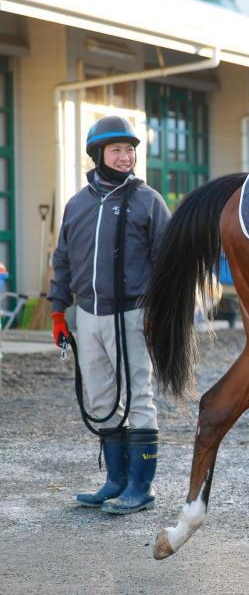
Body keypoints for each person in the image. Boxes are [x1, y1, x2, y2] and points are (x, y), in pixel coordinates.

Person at [48, 115, 170, 514]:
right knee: (100, 397)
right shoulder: (78, 204)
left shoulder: (147, 200)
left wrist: (158, 312)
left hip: (132, 313)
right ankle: (115, 481)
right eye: (117, 149)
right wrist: (57, 312)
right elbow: (63, 259)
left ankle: (141, 487)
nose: (125, 156)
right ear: (98, 154)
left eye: (130, 149)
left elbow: (166, 263)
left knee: (138, 395)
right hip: (88, 315)